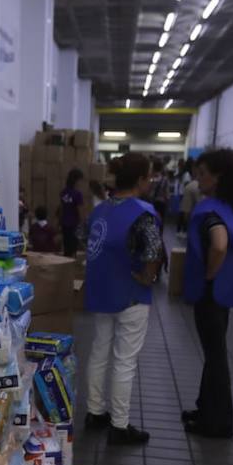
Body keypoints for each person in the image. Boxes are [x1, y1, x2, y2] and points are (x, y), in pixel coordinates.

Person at [83, 153, 163, 446]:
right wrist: (148, 277)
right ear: (141, 180)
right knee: (124, 361)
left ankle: (94, 412)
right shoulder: (143, 212)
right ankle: (119, 425)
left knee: (99, 351)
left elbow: (85, 239)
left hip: (101, 290)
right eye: (149, 176)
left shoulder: (100, 210)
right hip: (130, 295)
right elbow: (154, 252)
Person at [182, 150, 233, 439]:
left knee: (216, 357)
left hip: (211, 292)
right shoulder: (231, 207)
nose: (197, 179)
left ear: (218, 176)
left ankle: (218, 422)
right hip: (226, 292)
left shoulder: (210, 211)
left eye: (202, 174)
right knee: (214, 353)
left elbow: (219, 243)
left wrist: (210, 273)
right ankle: (206, 410)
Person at [58, 168, 84, 258]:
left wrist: (59, 222)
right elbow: (79, 210)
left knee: (66, 249)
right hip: (74, 224)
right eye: (81, 180)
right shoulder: (77, 194)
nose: (81, 183)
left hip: (65, 224)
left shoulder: (63, 192)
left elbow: (61, 208)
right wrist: (82, 223)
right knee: (73, 250)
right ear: (76, 180)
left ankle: (65, 266)